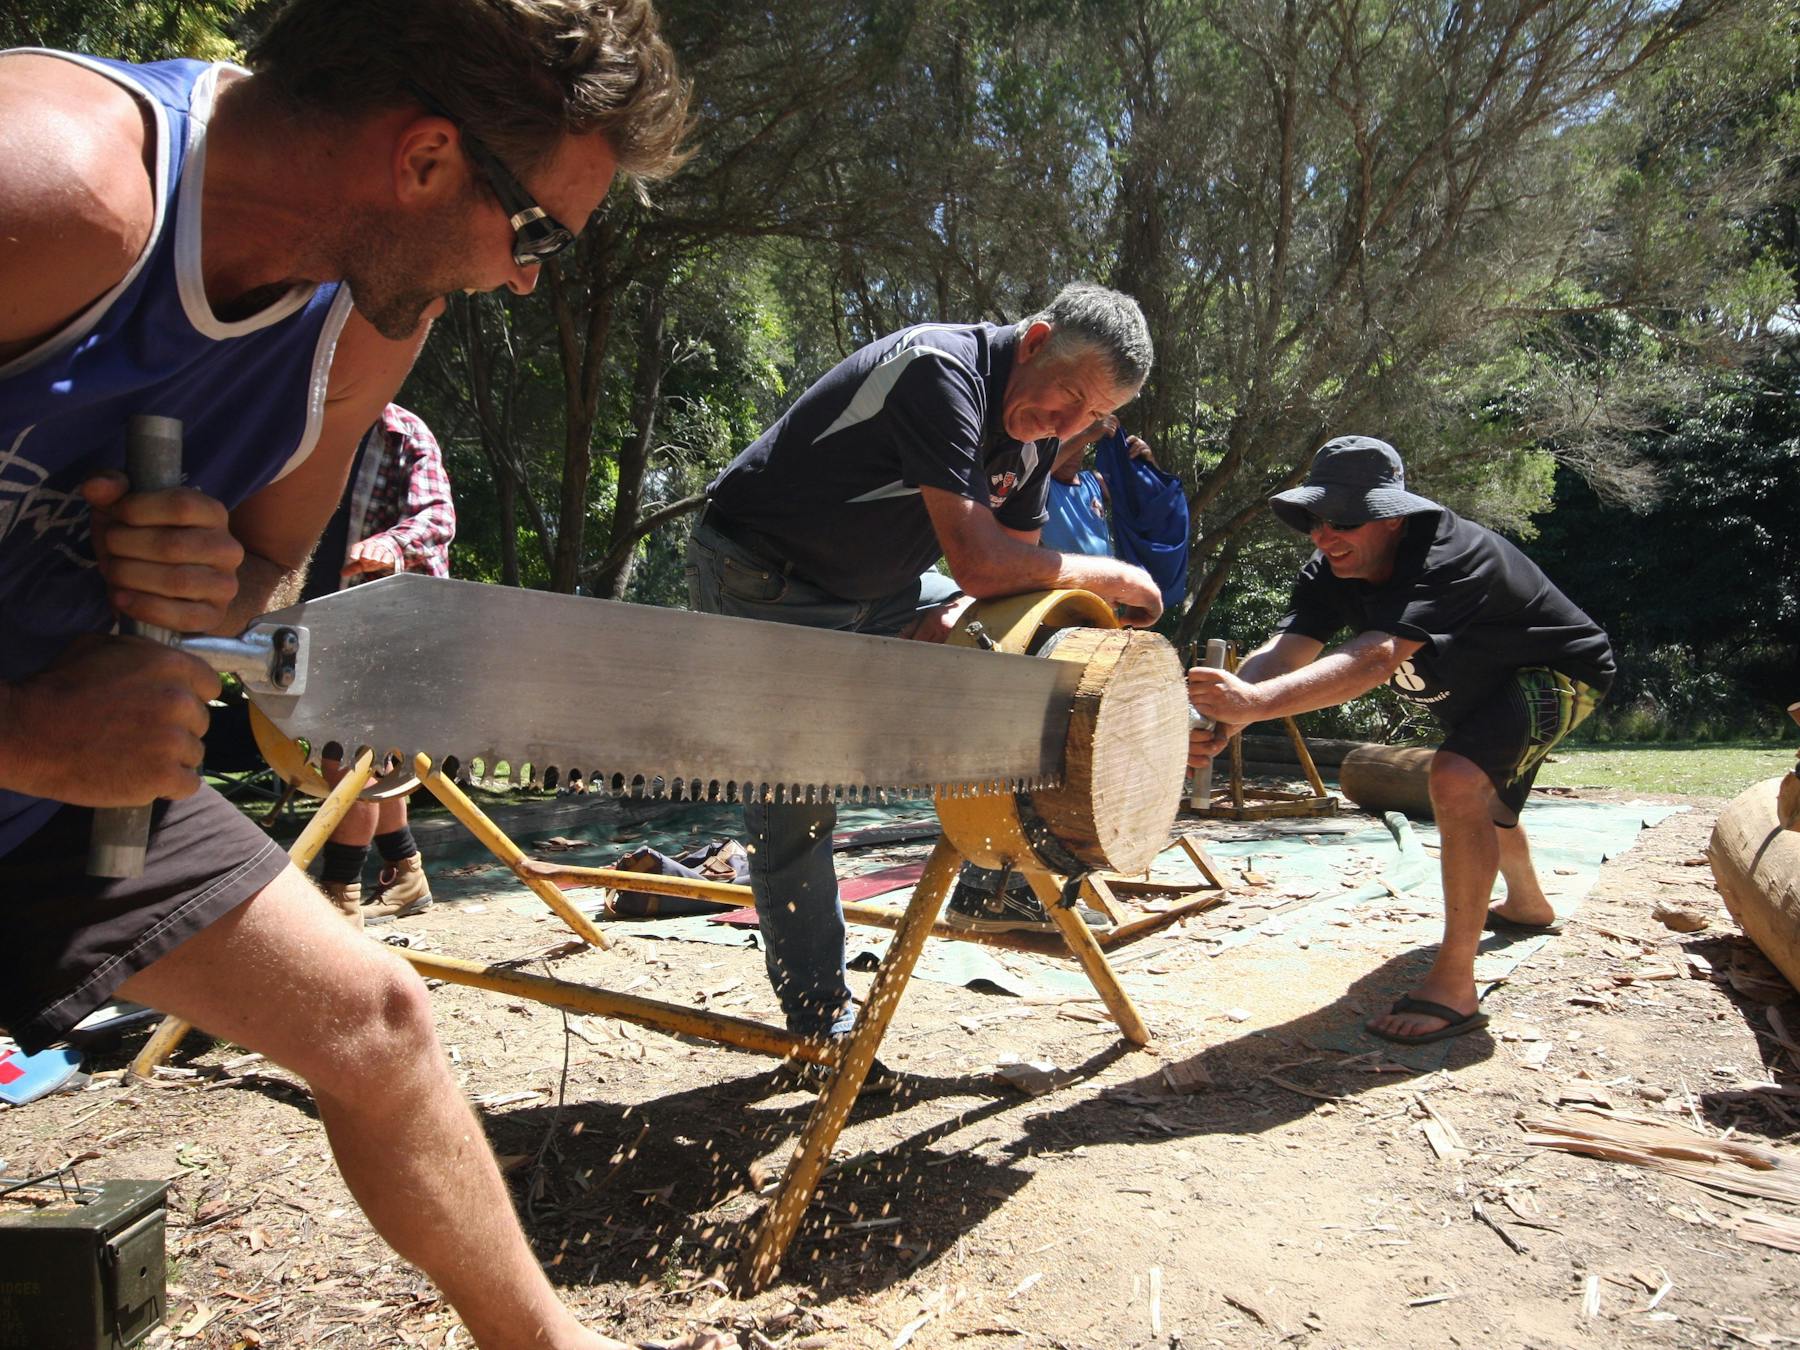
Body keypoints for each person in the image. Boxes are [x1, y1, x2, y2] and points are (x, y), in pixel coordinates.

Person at [0, 6, 733, 1348]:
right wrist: (27, 734)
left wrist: (192, 575)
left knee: (379, 1022)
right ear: (425, 160)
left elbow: (269, 570)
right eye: (540, 234)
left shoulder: (365, 328)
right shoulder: (54, 191)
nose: (526, 281)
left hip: (60, 790)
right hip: (38, 754)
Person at [688, 282, 1163, 1060]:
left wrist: (1005, 619)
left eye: (1096, 418)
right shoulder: (939, 370)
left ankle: (1000, 876)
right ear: (1036, 339)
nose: (1069, 427)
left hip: (875, 586)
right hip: (766, 576)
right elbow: (983, 563)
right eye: (1071, 397)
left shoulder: (1038, 437)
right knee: (795, 801)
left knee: (1019, 667)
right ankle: (820, 1019)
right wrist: (1109, 576)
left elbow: (1016, 584)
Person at [1186, 436, 1615, 1047]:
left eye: (1344, 521)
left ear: (1392, 516)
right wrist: (1228, 719)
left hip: (1560, 673)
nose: (1323, 535)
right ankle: (1527, 905)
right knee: (1478, 784)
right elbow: (1286, 653)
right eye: (1314, 519)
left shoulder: (1446, 554)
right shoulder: (1331, 568)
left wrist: (1252, 704)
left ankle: (1455, 987)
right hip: (1477, 685)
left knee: (1457, 778)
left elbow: (1374, 661)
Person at [312, 404, 456, 928]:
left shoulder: (404, 432)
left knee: (346, 755)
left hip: (400, 620)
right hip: (326, 614)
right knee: (381, 765)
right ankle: (408, 875)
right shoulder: (303, 428)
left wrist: (388, 545)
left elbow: (439, 519)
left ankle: (340, 897)